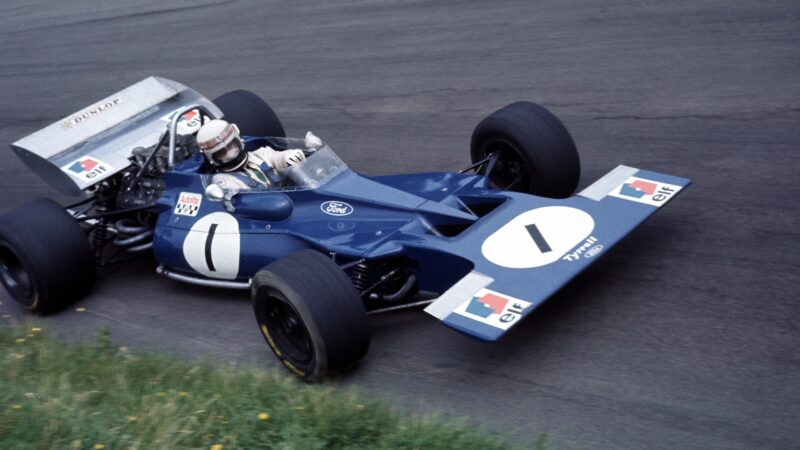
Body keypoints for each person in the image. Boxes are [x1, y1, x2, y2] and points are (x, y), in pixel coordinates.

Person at [196, 119, 306, 190]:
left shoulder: (261, 154)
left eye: (232, 145)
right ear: (211, 157)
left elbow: (278, 158)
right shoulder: (223, 181)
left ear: (238, 139)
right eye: (221, 152)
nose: (230, 153)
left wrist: (289, 156)